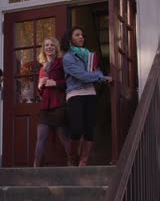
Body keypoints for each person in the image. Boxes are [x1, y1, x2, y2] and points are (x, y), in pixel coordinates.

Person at [62, 26, 112, 166]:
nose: (81, 37)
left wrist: (99, 75)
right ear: (70, 39)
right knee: (77, 128)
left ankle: (83, 162)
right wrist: (100, 77)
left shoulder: (89, 55)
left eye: (82, 35)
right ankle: (72, 158)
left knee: (89, 129)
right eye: (77, 35)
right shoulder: (68, 58)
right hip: (75, 94)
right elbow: (83, 76)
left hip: (90, 93)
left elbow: (96, 70)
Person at [34, 37, 70, 167]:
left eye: (52, 45)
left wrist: (55, 83)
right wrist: (39, 87)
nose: (49, 47)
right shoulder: (43, 68)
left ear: (56, 48)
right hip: (46, 108)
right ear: (43, 49)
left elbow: (70, 82)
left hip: (59, 106)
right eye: (46, 45)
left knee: (64, 138)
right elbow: (42, 93)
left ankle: (75, 167)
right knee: (41, 138)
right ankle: (35, 169)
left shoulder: (62, 63)